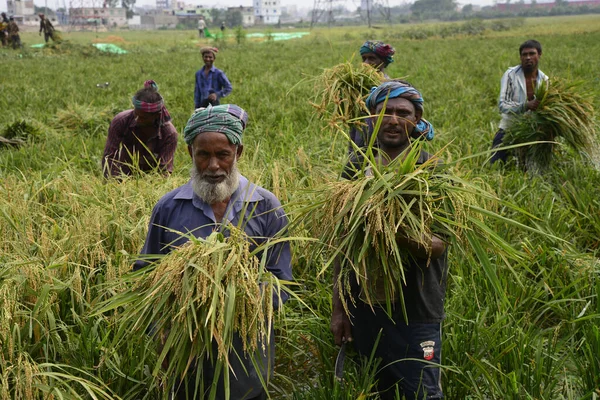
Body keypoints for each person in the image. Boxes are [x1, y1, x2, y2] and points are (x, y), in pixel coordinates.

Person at [134, 104, 293, 399]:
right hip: (185, 349)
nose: (213, 166)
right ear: (190, 154)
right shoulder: (169, 207)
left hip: (245, 349)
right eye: (203, 155)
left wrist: (242, 295)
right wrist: (161, 334)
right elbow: (146, 275)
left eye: (223, 155)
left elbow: (282, 280)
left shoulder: (266, 206)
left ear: (238, 153)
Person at [331, 81, 447, 400]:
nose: (393, 120)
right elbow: (343, 242)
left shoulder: (431, 170)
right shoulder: (357, 168)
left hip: (417, 310)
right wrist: (340, 309)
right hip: (365, 306)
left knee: (420, 392)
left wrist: (393, 228)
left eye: (402, 113)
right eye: (384, 112)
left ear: (417, 119)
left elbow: (440, 245)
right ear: (371, 118)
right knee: (376, 390)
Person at [102, 80, 178, 178]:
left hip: (151, 177)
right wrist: (114, 182)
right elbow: (109, 156)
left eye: (143, 117)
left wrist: (152, 187)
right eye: (136, 114)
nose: (137, 119)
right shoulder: (121, 121)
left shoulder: (169, 133)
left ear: (156, 115)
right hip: (123, 174)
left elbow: (164, 170)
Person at [490, 39, 548, 164]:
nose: (528, 57)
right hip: (509, 126)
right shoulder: (510, 75)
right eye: (524, 54)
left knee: (533, 166)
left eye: (532, 54)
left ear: (539, 55)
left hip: (533, 130)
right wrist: (525, 105)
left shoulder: (544, 80)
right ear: (520, 57)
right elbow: (502, 105)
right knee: (495, 163)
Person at [348, 40, 397, 152]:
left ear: (383, 62)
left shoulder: (388, 86)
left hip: (379, 136)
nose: (366, 63)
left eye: (371, 58)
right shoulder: (358, 85)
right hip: (359, 132)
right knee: (355, 159)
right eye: (364, 58)